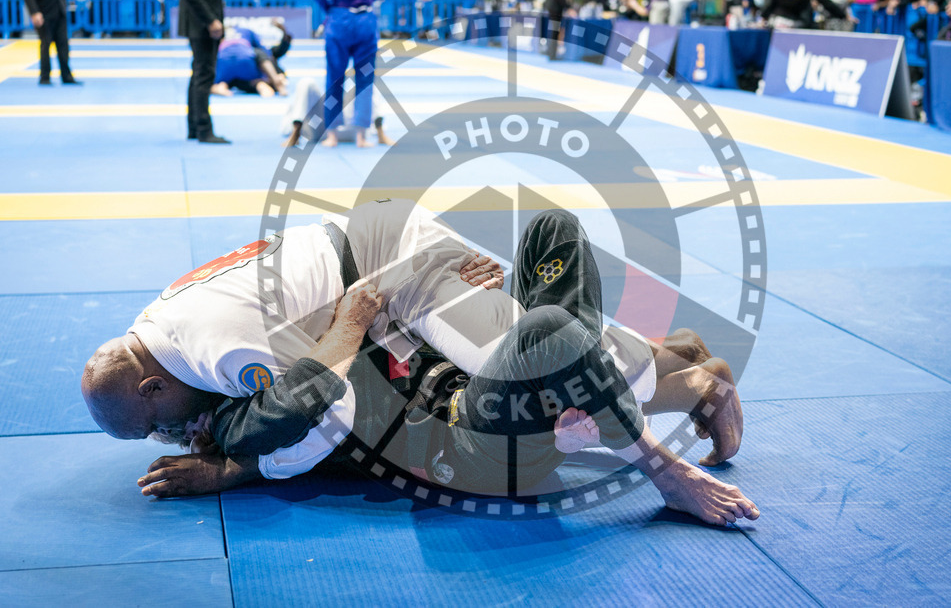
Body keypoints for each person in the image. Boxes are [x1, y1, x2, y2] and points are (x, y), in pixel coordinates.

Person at [83, 202, 754, 525]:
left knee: (545, 307)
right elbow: (321, 370)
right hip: (468, 432)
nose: (168, 435)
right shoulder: (192, 355)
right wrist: (233, 464)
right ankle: (678, 373)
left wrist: (231, 467)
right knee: (547, 319)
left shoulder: (225, 372)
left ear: (151, 385)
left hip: (406, 301)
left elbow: (323, 404)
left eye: (155, 422)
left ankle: (670, 384)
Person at [311, 0, 397, 149]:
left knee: (334, 78)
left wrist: (330, 6)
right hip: (365, 21)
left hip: (339, 20)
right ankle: (361, 136)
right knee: (365, 80)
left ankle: (332, 135)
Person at [177, 0, 229, 144]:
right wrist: (210, 20)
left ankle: (194, 127)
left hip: (203, 22)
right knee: (204, 74)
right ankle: (203, 128)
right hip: (202, 24)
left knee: (199, 72)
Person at [281, 77, 393, 147]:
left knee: (367, 81)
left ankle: (380, 133)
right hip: (321, 128)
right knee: (306, 82)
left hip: (351, 127)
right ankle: (296, 131)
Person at [210, 25, 288, 98]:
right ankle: (271, 83)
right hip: (245, 60)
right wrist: (277, 71)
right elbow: (265, 52)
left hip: (222, 64)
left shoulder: (221, 34)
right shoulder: (248, 32)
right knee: (259, 55)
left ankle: (220, 85)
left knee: (233, 78)